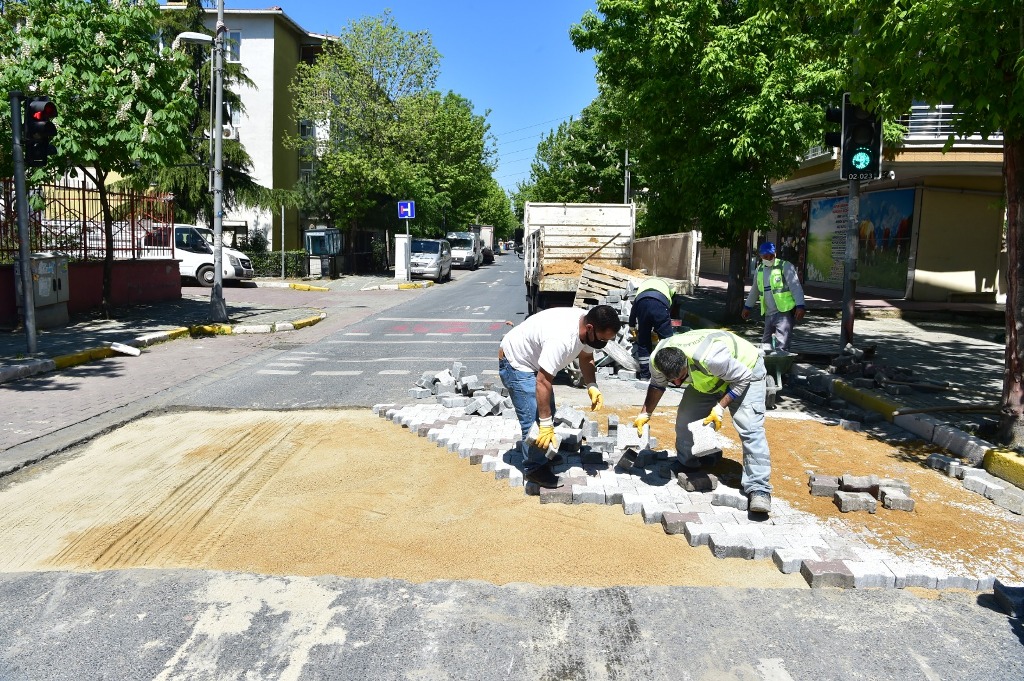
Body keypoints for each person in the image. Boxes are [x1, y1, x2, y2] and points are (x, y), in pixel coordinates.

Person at [632, 328, 773, 513]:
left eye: (680, 378)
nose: (676, 384)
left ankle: (759, 488)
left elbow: (743, 378)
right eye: (671, 380)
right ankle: (687, 463)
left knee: (749, 427)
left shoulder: (711, 358)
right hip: (708, 378)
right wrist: (645, 413)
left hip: (745, 370)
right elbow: (658, 384)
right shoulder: (658, 359)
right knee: (686, 418)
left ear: (686, 363)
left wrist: (720, 407)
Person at [499, 305, 622, 488]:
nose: (603, 343)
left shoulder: (587, 324)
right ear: (590, 328)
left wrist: (592, 386)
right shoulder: (562, 339)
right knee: (536, 419)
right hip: (516, 362)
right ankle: (534, 468)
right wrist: (546, 425)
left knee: (549, 410)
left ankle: (542, 452)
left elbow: (586, 358)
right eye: (603, 339)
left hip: (533, 359)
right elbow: (543, 382)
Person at [742, 242, 806, 352]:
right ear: (761, 256)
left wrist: (800, 306)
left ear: (775, 254)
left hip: (784, 312)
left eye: (771, 255)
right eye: (765, 256)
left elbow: (795, 287)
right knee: (765, 344)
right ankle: (767, 366)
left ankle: (780, 367)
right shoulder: (760, 270)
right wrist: (747, 307)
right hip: (768, 312)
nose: (769, 258)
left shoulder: (785, 266)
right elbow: (755, 290)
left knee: (782, 344)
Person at [628, 277, 676, 380]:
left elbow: (633, 310)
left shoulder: (642, 288)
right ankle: (671, 375)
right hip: (660, 304)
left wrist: (632, 326)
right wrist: (659, 329)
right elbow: (668, 309)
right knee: (667, 341)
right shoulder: (668, 288)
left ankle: (645, 376)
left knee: (644, 342)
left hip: (642, 305)